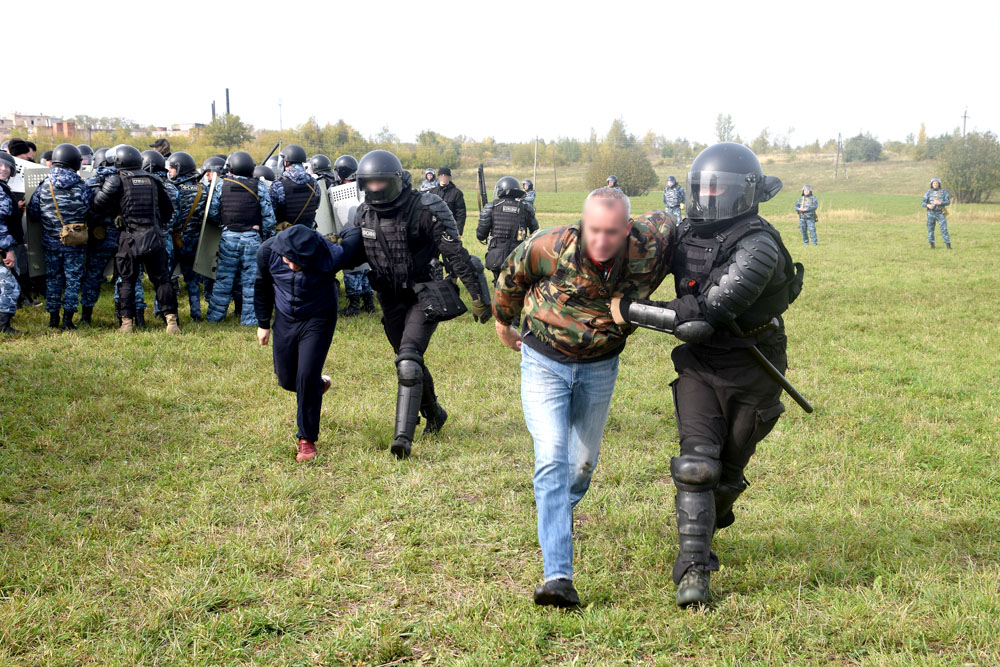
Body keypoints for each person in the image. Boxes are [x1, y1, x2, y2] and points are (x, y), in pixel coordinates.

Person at [610, 142, 801, 607]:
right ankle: (694, 571)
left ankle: (715, 513)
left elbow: (706, 314)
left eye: (721, 189)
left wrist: (631, 311)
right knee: (696, 466)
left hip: (755, 364)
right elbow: (640, 249)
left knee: (728, 473)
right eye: (705, 188)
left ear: (746, 193)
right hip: (701, 363)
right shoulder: (686, 232)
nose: (711, 197)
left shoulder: (759, 245)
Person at [492, 186, 675, 607]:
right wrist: (504, 322)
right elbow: (511, 275)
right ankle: (559, 577)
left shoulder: (650, 244)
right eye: (594, 229)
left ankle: (554, 508)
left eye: (612, 231)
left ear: (627, 228)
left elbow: (678, 226)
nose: (601, 240)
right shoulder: (552, 246)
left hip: (600, 366)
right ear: (582, 223)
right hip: (543, 359)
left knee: (580, 467)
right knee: (552, 456)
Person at [343, 150, 491, 458]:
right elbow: (350, 253)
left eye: (381, 182)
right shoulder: (362, 214)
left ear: (395, 181)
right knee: (406, 361)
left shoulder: (425, 208)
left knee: (409, 362)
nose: (375, 188)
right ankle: (435, 413)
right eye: (369, 183)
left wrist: (477, 295)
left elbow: (456, 255)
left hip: (426, 292)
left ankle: (402, 440)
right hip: (389, 297)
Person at [255, 224, 363, 462]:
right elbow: (262, 285)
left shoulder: (330, 255)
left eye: (299, 262)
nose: (292, 265)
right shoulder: (266, 251)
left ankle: (307, 441)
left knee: (305, 374)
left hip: (318, 318)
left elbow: (356, 240)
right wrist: (263, 323)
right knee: (286, 380)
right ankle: (315, 386)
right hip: (285, 318)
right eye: (288, 259)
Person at [92, 144, 181, 334]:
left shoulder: (117, 180)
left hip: (129, 237)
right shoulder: (154, 180)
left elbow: (98, 204)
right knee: (162, 280)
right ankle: (171, 322)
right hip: (154, 237)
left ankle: (127, 324)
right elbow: (168, 210)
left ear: (119, 161)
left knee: (127, 281)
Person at [26, 143, 92, 330]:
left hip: (51, 243)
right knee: (73, 280)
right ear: (75, 163)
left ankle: (53, 319)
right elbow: (91, 212)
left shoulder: (43, 187)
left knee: (53, 280)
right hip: (75, 243)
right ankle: (68, 320)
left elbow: (33, 214)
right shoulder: (82, 187)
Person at [206, 151, 276, 325]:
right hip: (252, 239)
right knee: (251, 282)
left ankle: (215, 318)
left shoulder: (221, 186)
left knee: (223, 279)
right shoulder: (258, 186)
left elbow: (213, 213)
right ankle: (250, 320)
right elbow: (269, 218)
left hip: (228, 237)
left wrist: (226, 224)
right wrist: (265, 236)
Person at [81, 146, 144, 326]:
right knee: (130, 277)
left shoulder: (93, 182)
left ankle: (86, 317)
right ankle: (136, 317)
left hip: (100, 237)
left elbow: (88, 210)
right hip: (127, 235)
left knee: (93, 276)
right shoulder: (130, 179)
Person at [329, 155, 374, 317]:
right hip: (368, 238)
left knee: (352, 272)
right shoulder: (365, 190)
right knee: (364, 270)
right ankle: (369, 303)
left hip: (351, 237)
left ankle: (354, 306)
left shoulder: (337, 195)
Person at [167, 151, 209, 320]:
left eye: (172, 167)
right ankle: (196, 313)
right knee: (192, 279)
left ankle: (166, 312)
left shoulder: (172, 189)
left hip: (175, 240)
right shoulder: (203, 189)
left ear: (180, 168)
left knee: (167, 277)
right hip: (194, 241)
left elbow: (172, 217)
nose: (169, 171)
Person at [142, 150, 180, 321]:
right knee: (165, 279)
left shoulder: (139, 185)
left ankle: (134, 313)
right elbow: (176, 216)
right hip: (165, 239)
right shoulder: (172, 189)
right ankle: (165, 313)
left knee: (132, 277)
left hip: (140, 237)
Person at [476, 176, 538, 283]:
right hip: (519, 256)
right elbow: (536, 233)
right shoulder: (526, 208)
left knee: (499, 286)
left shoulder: (491, 207)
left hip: (497, 257)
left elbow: (481, 235)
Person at [270, 144, 320, 231]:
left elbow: (271, 215)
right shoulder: (314, 183)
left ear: (286, 162)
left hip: (286, 237)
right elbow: (316, 205)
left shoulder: (278, 185)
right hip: (309, 235)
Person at [0, 153, 21, 333]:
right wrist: (8, 250)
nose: (4, 169)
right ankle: (3, 325)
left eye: (7, 166)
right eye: (0, 165)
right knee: (9, 284)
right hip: (3, 247)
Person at [430, 167, 466, 234]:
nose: (443, 177)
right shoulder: (433, 192)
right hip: (434, 229)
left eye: (445, 175)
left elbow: (461, 214)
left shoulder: (457, 193)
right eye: (441, 175)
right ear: (438, 177)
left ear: (449, 177)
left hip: (450, 229)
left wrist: (458, 232)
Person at [923, 177, 951, 249]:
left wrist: (941, 203)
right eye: (934, 183)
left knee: (944, 229)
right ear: (932, 184)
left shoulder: (944, 192)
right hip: (930, 214)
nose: (935, 184)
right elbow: (923, 203)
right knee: (930, 229)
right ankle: (932, 245)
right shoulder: (928, 192)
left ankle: (948, 246)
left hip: (940, 213)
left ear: (939, 184)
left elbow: (948, 202)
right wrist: (927, 205)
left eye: (937, 183)